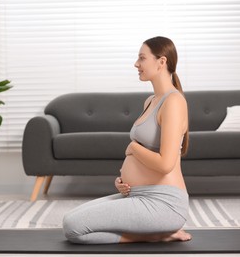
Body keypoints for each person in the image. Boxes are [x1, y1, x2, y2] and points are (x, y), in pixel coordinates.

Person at [62, 36, 191, 244]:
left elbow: (166, 164)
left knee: (73, 228)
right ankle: (155, 233)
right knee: (71, 218)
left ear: (161, 62)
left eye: (142, 58)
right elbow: (144, 155)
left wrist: (132, 147)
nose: (136, 64)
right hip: (137, 195)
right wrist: (125, 181)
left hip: (163, 203)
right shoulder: (150, 101)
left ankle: (155, 235)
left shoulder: (174, 102)